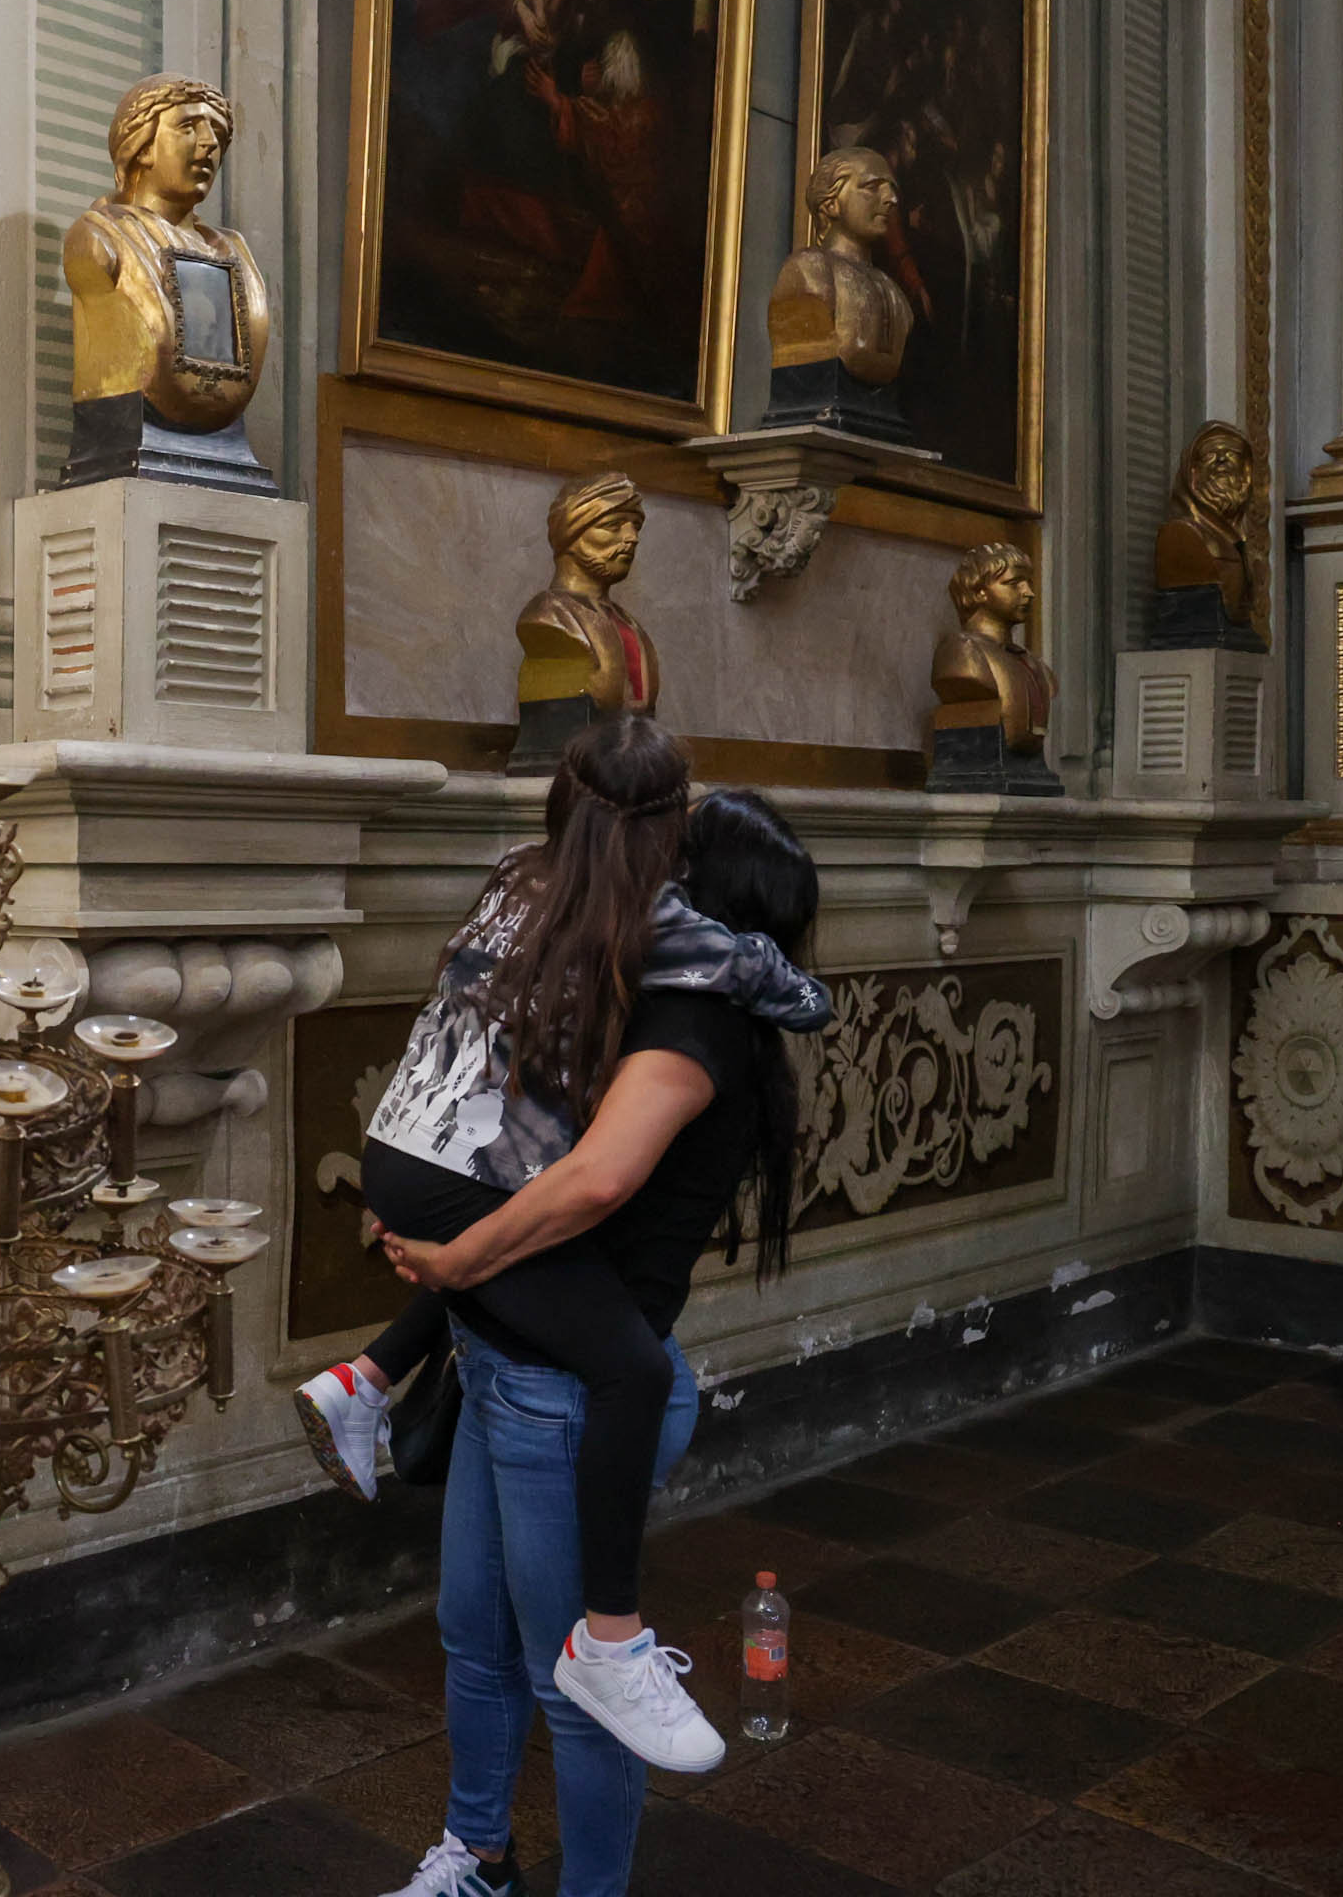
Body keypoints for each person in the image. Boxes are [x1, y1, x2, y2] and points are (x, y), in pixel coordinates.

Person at [310, 780, 823, 1897]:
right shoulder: (641, 988)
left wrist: (448, 1254)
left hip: (569, 1398)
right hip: (510, 1372)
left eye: (672, 860)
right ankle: (479, 1859)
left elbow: (588, 1184)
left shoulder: (691, 1025)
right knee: (473, 1640)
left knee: (578, 1681)